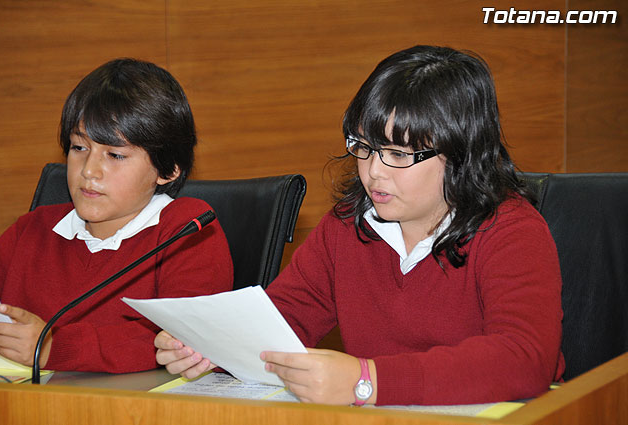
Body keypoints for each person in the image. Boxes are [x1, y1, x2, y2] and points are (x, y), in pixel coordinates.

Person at [154, 45, 565, 405]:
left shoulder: (511, 229)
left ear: (461, 154)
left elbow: (525, 358)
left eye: (398, 154)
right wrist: (213, 345)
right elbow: (283, 323)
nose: (373, 172)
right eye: (364, 147)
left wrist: (367, 381)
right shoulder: (348, 225)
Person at [0, 58, 233, 373]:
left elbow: (183, 339)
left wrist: (53, 347)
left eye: (115, 155)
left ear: (168, 169)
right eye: (79, 148)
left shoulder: (188, 230)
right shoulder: (33, 229)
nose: (89, 171)